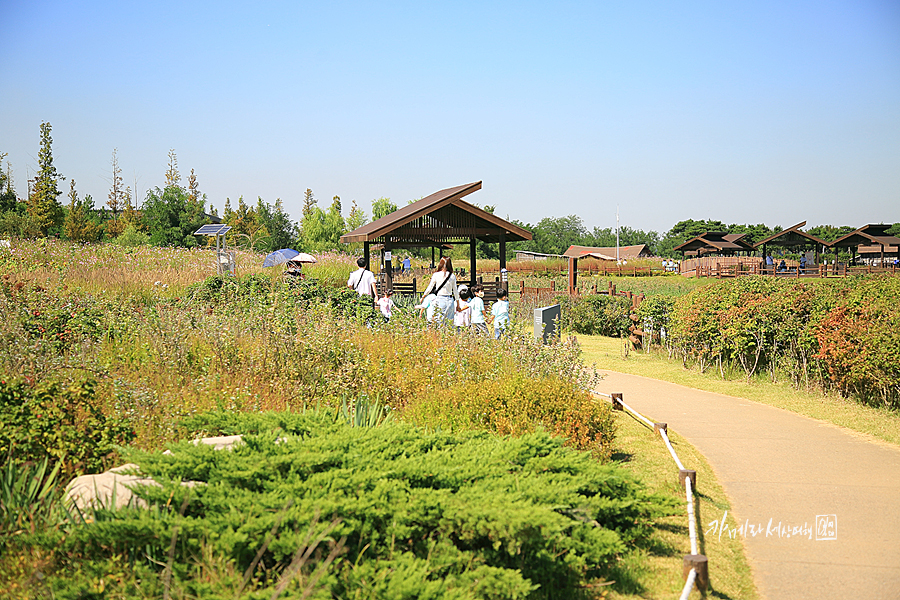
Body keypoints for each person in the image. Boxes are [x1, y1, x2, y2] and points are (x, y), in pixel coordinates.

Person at [420, 257, 460, 325]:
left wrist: (423, 296)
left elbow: (430, 287)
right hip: (450, 300)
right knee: (449, 323)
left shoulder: (436, 275)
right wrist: (458, 304)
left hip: (440, 299)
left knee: (438, 322)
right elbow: (455, 291)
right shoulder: (452, 276)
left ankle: (439, 335)